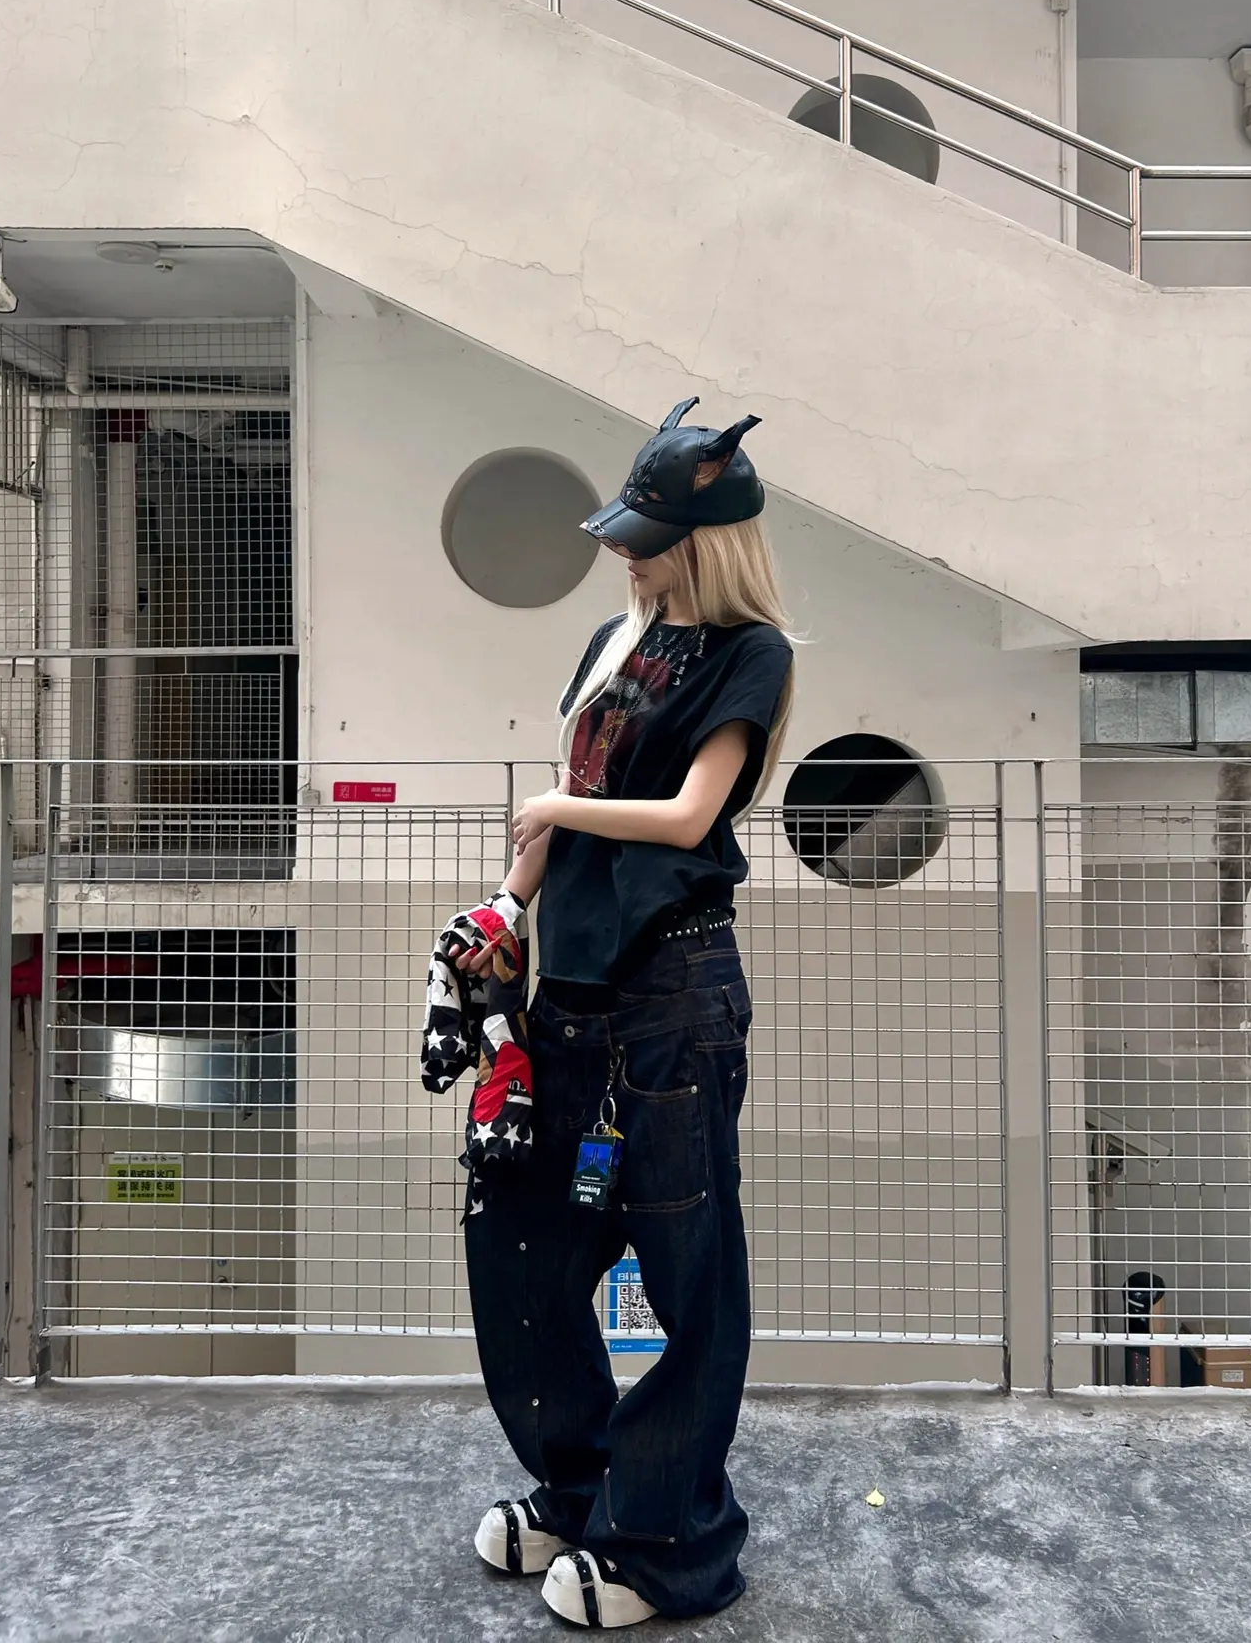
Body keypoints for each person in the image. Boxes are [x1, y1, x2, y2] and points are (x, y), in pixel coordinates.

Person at [459, 398, 795, 1628]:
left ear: (707, 543)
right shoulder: (614, 642)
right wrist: (503, 909)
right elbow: (573, 792)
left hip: (676, 998)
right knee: (525, 1243)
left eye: (648, 542)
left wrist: (555, 810)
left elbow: (690, 817)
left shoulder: (753, 654)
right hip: (570, 997)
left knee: (687, 1272)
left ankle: (667, 1542)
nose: (627, 559)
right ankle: (579, 1486)